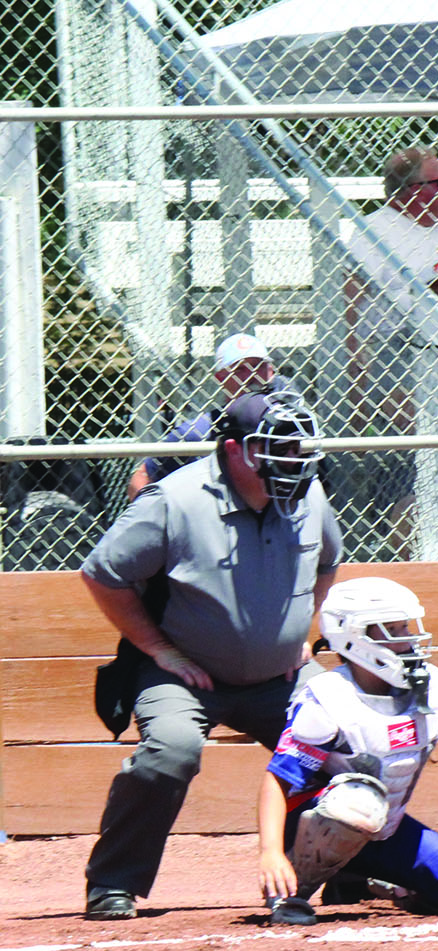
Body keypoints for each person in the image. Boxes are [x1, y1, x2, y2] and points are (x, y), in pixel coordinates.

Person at [78, 390, 340, 921]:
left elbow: (329, 562)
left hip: (280, 676)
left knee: (351, 744)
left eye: (296, 448)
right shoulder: (174, 501)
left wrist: (297, 634)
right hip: (185, 672)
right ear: (234, 450)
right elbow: (102, 573)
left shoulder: (308, 496)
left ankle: (343, 871)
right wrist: (157, 649)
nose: (292, 461)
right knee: (172, 750)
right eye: (277, 449)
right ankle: (112, 882)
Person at [257, 577, 438, 926]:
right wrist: (270, 852)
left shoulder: (429, 685)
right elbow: (277, 781)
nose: (407, 638)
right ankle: (293, 891)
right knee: (357, 801)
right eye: (393, 628)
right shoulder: (328, 697)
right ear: (354, 635)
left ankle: (371, 881)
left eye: (406, 626)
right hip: (311, 824)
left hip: (383, 829)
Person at [344, 147, 438, 549]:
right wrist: (358, 373)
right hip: (391, 351)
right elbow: (350, 303)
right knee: (418, 423)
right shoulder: (375, 229)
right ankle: (427, 494)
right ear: (409, 190)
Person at [129, 332, 298, 497]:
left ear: (271, 372)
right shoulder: (199, 431)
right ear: (221, 378)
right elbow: (140, 478)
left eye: (258, 366)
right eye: (239, 369)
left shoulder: (293, 424)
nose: (251, 376)